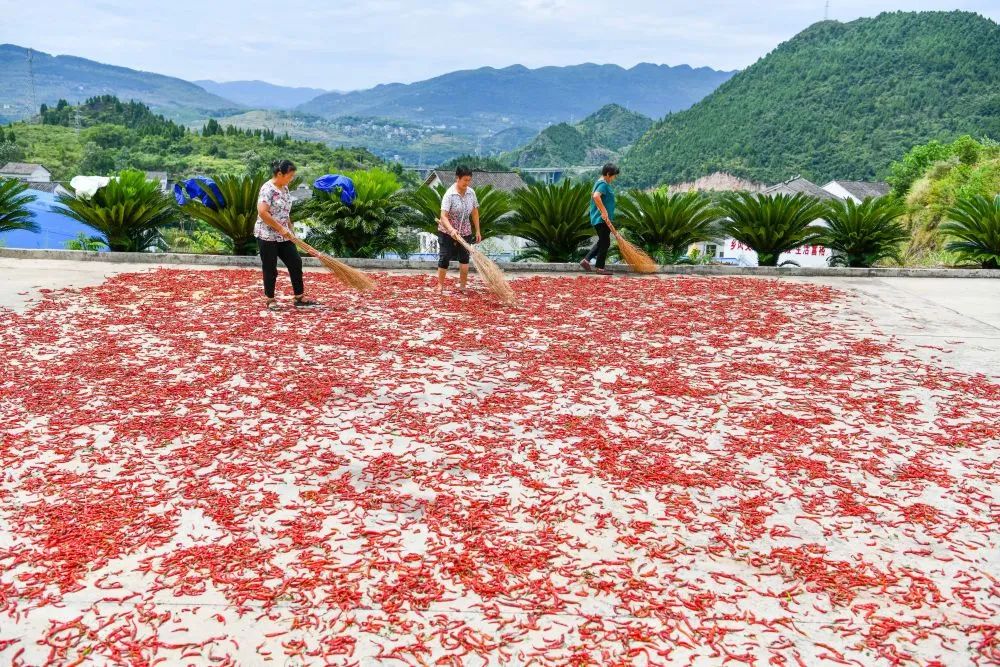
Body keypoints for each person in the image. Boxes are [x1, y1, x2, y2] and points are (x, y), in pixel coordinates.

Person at [255, 160, 316, 310]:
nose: (292, 178)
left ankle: (299, 297)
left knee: (295, 262)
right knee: (270, 267)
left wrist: (289, 227)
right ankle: (270, 299)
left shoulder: (285, 188)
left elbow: (285, 211)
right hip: (267, 235)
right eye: (290, 175)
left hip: (284, 235)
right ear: (280, 174)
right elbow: (262, 212)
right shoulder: (267, 189)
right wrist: (279, 228)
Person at [437, 166, 482, 293]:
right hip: (447, 231)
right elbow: (443, 216)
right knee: (445, 257)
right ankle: (440, 285)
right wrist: (451, 230)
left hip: (465, 230)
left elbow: (474, 212)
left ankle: (462, 286)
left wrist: (477, 230)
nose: (467, 183)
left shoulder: (471, 193)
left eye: (469, 180)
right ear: (457, 178)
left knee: (464, 259)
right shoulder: (449, 194)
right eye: (465, 180)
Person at [580, 163, 621, 275]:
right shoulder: (603, 184)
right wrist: (604, 211)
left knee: (603, 241)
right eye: (613, 176)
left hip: (601, 219)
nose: (614, 178)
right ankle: (599, 268)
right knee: (605, 242)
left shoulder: (600, 183)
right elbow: (596, 196)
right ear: (608, 174)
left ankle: (586, 261)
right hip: (601, 219)